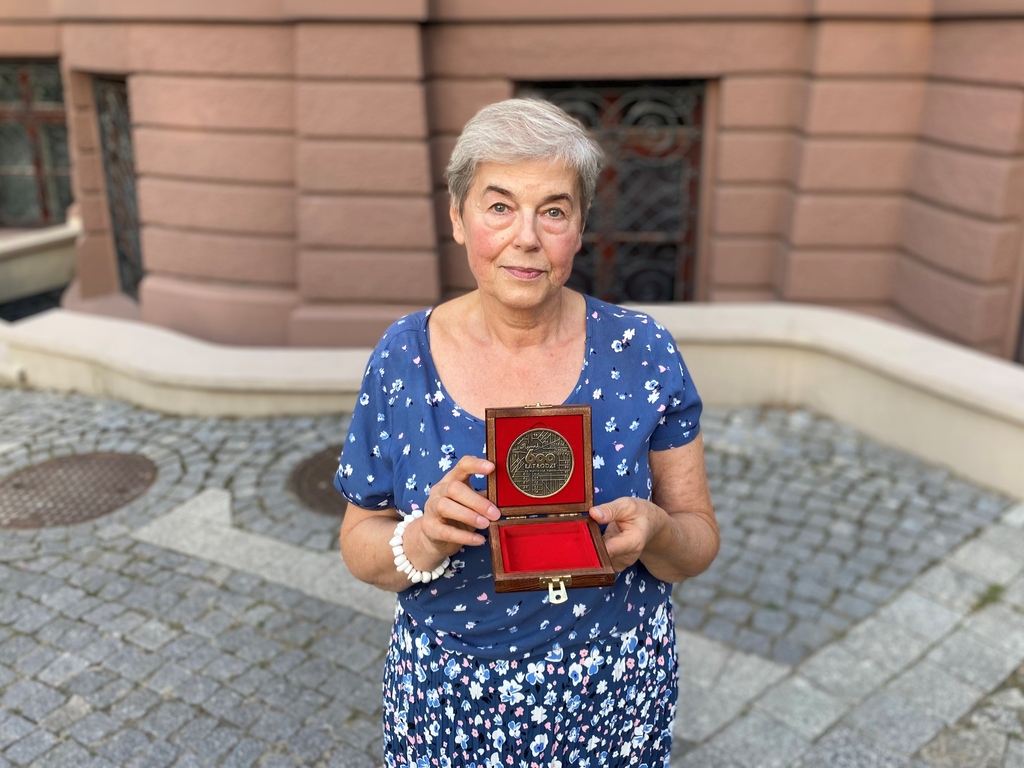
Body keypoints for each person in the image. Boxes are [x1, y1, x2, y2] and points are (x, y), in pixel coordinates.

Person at [335, 98, 719, 768]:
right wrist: (423, 537)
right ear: (458, 218)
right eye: (499, 206)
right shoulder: (404, 356)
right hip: (450, 695)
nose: (527, 238)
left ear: (579, 226)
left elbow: (696, 541)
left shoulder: (643, 349)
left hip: (614, 688)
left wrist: (657, 532)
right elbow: (359, 540)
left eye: (554, 211)